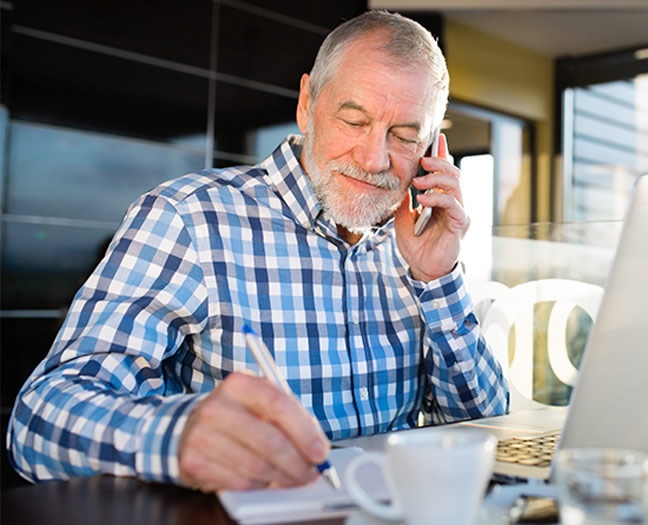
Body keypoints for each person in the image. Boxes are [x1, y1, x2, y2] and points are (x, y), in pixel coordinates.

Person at [6, 10, 509, 492]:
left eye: (403, 136)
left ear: (431, 149)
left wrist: (439, 281)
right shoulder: (188, 218)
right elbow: (38, 421)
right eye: (353, 122)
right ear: (307, 103)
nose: (375, 158)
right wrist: (177, 437)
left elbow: (490, 433)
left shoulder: (418, 246)